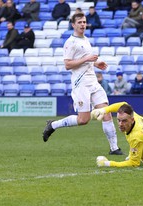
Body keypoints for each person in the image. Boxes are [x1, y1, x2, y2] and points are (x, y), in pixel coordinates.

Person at [42, 12, 123, 156]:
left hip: (93, 82)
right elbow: (67, 65)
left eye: (84, 22)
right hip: (81, 84)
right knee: (83, 119)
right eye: (80, 22)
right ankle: (53, 125)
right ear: (73, 25)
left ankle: (114, 148)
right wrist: (87, 59)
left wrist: (96, 63)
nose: (83, 25)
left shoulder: (85, 40)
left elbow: (86, 60)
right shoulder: (70, 42)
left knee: (106, 113)